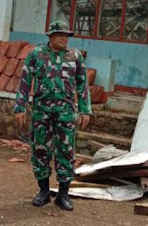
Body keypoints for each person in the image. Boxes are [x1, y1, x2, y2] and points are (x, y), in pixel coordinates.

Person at [14, 21, 91, 211]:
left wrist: (85, 109)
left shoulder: (75, 56)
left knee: (66, 151)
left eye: (66, 35)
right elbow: (25, 81)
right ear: (50, 36)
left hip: (65, 113)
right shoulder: (36, 55)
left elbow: (82, 85)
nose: (64, 38)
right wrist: (20, 107)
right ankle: (43, 192)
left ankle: (63, 194)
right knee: (41, 150)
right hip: (42, 112)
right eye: (59, 34)